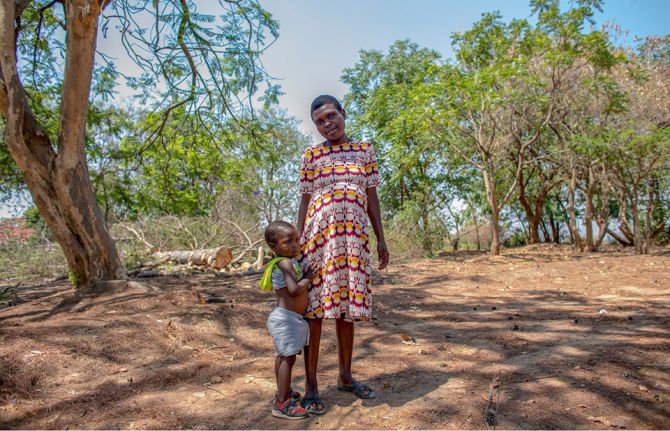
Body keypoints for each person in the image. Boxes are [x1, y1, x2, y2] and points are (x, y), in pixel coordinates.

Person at [297, 95, 389, 415]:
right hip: (319, 241)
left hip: (353, 239)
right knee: (315, 311)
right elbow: (305, 202)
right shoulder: (311, 155)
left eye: (331, 116)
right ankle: (311, 386)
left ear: (343, 114)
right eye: (320, 121)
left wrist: (381, 239)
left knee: (346, 309)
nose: (327, 124)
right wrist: (297, 243)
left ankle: (346, 377)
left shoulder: (364, 151)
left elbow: (372, 198)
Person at [262, 220, 312, 420]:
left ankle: (283, 392)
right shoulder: (284, 263)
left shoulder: (288, 261)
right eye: (288, 241)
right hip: (286, 319)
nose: (295, 245)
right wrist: (309, 276)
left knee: (284, 357)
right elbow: (294, 290)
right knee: (287, 359)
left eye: (296, 239)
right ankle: (282, 403)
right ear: (274, 247)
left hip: (290, 319)